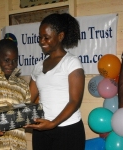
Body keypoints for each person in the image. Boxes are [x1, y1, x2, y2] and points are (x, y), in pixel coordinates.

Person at [25, 13, 86, 150]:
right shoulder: (38, 66)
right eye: (40, 37)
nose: (42, 41)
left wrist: (53, 123)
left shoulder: (71, 63)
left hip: (68, 130)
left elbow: (75, 102)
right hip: (42, 130)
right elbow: (27, 98)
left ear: (60, 36)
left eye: (47, 37)